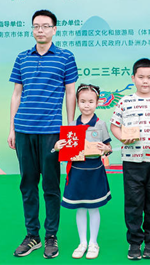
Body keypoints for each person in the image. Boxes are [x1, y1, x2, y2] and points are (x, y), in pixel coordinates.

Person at [8, 9, 78, 259]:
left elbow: (71, 92)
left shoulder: (65, 57)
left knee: (50, 186)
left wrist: (70, 129)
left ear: (54, 30)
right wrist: (12, 128)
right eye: (36, 26)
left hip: (51, 132)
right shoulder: (22, 58)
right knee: (27, 185)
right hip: (24, 130)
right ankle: (32, 236)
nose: (40, 30)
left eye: (46, 26)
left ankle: (50, 236)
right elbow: (17, 94)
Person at [110, 58, 150, 260]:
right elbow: (114, 125)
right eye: (140, 77)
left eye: (149, 77)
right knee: (133, 202)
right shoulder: (125, 102)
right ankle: (135, 242)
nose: (145, 81)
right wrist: (122, 137)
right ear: (133, 78)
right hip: (132, 162)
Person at [54, 83, 112, 260]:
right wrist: (57, 147)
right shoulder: (72, 125)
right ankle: (82, 243)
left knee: (93, 208)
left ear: (97, 103)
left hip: (95, 171)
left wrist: (105, 148)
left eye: (91, 102)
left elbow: (108, 148)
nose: (87, 105)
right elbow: (65, 149)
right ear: (77, 102)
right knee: (79, 208)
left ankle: (94, 243)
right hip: (77, 172)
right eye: (83, 101)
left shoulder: (101, 124)